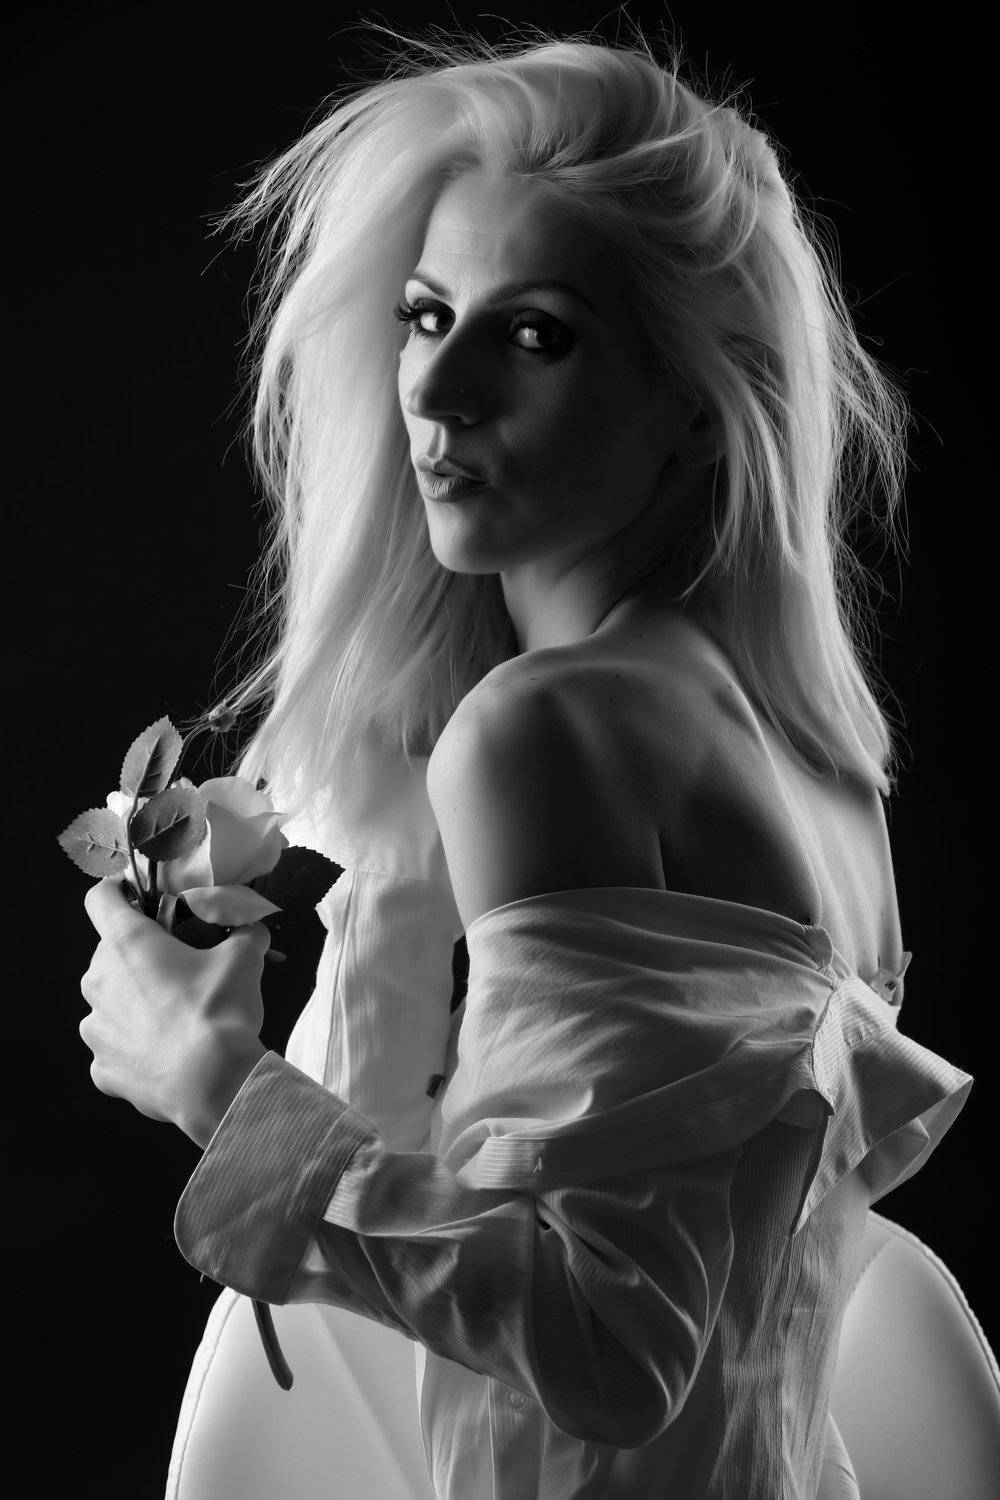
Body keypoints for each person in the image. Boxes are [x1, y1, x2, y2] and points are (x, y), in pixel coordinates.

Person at [77, 23, 976, 1499]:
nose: (438, 393)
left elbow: (613, 1346)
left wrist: (219, 1089)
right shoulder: (827, 771)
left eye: (539, 334)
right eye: (428, 315)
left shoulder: (550, 729)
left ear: (698, 402)